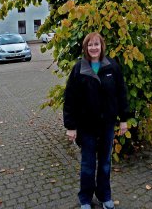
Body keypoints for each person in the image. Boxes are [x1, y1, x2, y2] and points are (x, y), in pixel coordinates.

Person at [63, 32, 129, 209]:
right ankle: (85, 198)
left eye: (96, 44)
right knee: (88, 164)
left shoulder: (112, 67)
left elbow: (121, 94)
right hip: (86, 126)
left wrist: (124, 119)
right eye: (90, 45)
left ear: (102, 46)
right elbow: (70, 99)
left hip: (107, 124)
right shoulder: (79, 68)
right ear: (86, 48)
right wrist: (70, 126)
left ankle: (104, 195)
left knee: (105, 163)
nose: (93, 48)